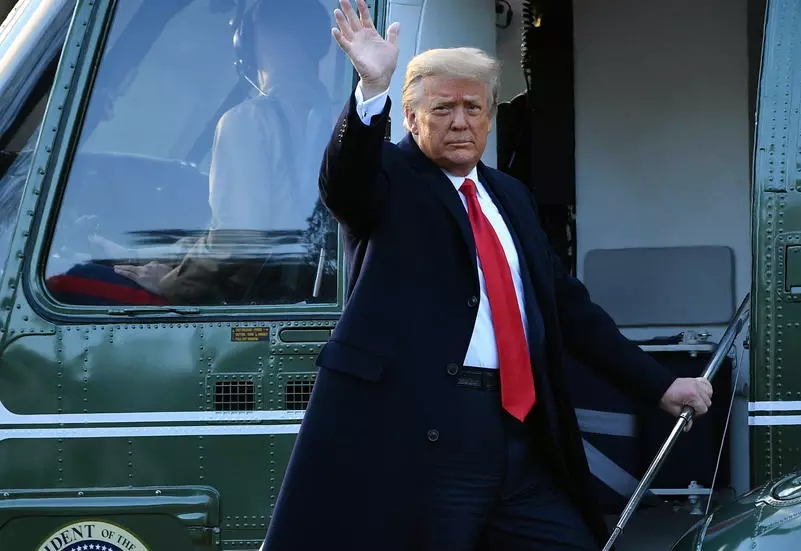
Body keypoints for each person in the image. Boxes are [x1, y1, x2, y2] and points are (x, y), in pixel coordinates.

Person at [262, 1, 714, 549]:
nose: (460, 121)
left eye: (473, 108)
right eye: (443, 108)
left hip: (518, 436)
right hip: (426, 439)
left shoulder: (510, 197)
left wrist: (661, 384)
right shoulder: (391, 180)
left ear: (490, 117)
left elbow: (570, 310)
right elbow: (345, 183)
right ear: (410, 118)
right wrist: (373, 85)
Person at [111, 0, 345, 305]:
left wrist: (172, 283)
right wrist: (149, 255)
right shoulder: (338, 120)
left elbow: (240, 238)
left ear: (252, 40)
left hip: (259, 303)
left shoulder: (248, 121)